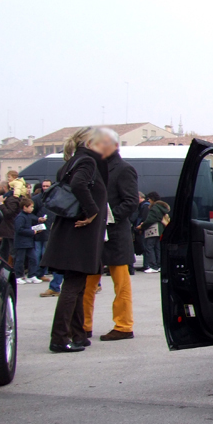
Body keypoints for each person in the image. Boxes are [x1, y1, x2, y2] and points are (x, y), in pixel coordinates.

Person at [40, 127, 116, 353]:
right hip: (79, 234)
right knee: (73, 286)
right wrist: (92, 211)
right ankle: (59, 338)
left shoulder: (73, 161)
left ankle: (78, 334)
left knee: (78, 285)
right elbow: (78, 185)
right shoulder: (87, 162)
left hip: (70, 232)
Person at [82, 130, 139, 342]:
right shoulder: (94, 168)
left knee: (121, 284)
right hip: (95, 235)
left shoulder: (124, 169)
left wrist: (107, 217)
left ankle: (124, 325)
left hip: (115, 235)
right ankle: (84, 324)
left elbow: (131, 201)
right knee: (87, 282)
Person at [12, 197, 43, 284]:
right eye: (31, 207)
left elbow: (29, 225)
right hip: (21, 242)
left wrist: (36, 229)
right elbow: (19, 229)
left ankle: (32, 275)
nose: (32, 208)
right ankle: (18, 276)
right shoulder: (20, 217)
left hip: (29, 241)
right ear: (24, 207)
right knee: (20, 260)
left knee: (33, 259)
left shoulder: (29, 216)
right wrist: (32, 231)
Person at [140, 192, 170, 273]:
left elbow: (150, 219)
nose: (148, 200)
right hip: (160, 230)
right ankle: (159, 265)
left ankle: (153, 266)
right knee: (158, 248)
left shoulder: (154, 207)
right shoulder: (161, 207)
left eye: (149, 198)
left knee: (149, 247)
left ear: (153, 199)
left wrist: (142, 226)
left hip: (153, 230)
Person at [0, 179, 21, 262]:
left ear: (4, 187)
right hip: (7, 231)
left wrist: (1, 204)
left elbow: (9, 214)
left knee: (12, 252)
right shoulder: (7, 198)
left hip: (11, 229)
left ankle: (17, 272)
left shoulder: (11, 199)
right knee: (3, 251)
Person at [132, 192, 150, 273]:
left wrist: (140, 228)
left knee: (145, 247)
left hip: (142, 229)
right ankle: (146, 265)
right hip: (142, 229)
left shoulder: (144, 206)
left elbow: (143, 218)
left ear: (139, 197)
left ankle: (147, 265)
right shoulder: (144, 205)